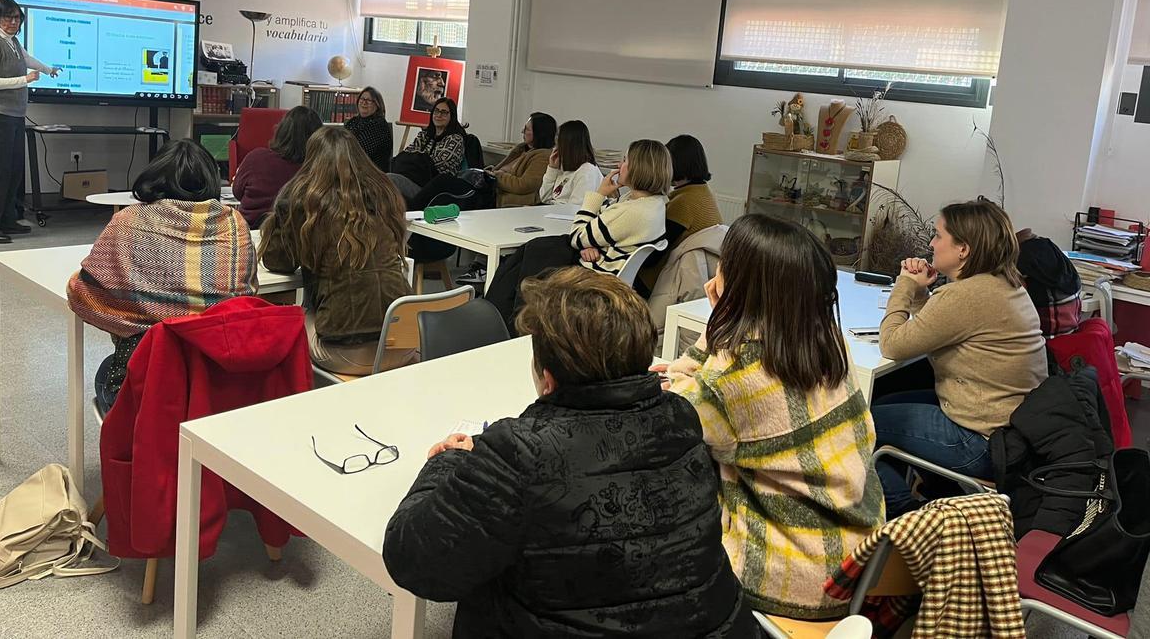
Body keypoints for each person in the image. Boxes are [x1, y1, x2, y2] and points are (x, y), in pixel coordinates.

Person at [383, 267, 760, 639]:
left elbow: (413, 560)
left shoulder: (520, 452)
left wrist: (446, 463)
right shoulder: (681, 417)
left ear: (547, 378)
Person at [663, 214, 884, 620]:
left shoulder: (731, 376)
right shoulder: (827, 341)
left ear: (740, 283)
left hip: (792, 576)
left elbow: (675, 407)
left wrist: (718, 326)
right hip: (863, 556)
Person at [874, 198, 1048, 517]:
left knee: (859, 423)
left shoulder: (966, 295)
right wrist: (922, 294)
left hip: (978, 441)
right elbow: (942, 326)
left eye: (939, 236)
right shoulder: (1002, 284)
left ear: (963, 249)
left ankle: (903, 514)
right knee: (884, 401)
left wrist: (903, 286)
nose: (931, 243)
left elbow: (892, 345)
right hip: (1008, 434)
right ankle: (923, 497)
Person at [67, 140, 257, 412]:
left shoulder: (128, 220)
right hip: (218, 386)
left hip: (147, 390)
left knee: (107, 371)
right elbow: (247, 293)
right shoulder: (234, 223)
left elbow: (85, 293)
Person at [260, 126, 412, 375]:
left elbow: (278, 262)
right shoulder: (384, 196)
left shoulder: (303, 203)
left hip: (344, 351)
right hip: (404, 342)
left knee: (288, 321)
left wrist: (280, 215)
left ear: (310, 162)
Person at [484, 139, 671, 328]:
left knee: (532, 252)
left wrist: (598, 194)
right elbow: (601, 225)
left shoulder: (633, 211)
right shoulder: (651, 203)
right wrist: (591, 242)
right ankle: (499, 318)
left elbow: (577, 237)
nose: (619, 165)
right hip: (599, 259)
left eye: (625, 161)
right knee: (528, 253)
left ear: (639, 168)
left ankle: (504, 322)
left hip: (594, 272)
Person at [0, 0, 60, 243]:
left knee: (12, 170)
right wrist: (25, 80)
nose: (13, 22)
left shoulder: (12, 42)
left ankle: (6, 220)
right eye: (7, 17)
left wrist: (48, 69)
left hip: (13, 114)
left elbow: (27, 59)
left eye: (17, 17)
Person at [411, 112, 556, 214]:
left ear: (538, 133)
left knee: (443, 182)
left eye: (527, 129)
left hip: (494, 196)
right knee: (443, 186)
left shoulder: (542, 156)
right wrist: (491, 171)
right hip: (487, 187)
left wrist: (497, 175)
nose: (522, 131)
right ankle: (412, 211)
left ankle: (410, 211)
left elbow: (524, 185)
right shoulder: (521, 149)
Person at [636, 134, 722, 297]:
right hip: (702, 277)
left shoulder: (684, 202)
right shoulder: (705, 192)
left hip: (666, 281)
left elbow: (653, 256)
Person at [231, 105, 323, 228]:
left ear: (281, 130)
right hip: (297, 238)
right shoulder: (318, 168)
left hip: (251, 233)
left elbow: (237, 192)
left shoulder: (256, 158)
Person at [387, 96, 466, 204]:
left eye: (444, 112)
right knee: (380, 180)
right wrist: (420, 159)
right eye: (436, 111)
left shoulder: (455, 139)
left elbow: (438, 164)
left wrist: (418, 158)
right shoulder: (424, 135)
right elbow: (406, 154)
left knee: (389, 180)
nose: (438, 115)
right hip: (412, 179)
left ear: (451, 116)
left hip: (433, 189)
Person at [537, 119, 602, 206]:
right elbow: (544, 198)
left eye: (558, 143)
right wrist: (552, 169)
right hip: (552, 212)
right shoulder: (566, 167)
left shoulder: (587, 171)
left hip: (566, 217)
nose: (555, 148)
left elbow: (574, 209)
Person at [344, 86, 392, 172]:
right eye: (362, 99)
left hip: (369, 173)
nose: (364, 102)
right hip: (350, 166)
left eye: (369, 100)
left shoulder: (378, 125)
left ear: (377, 105)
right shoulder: (353, 121)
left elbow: (359, 152)